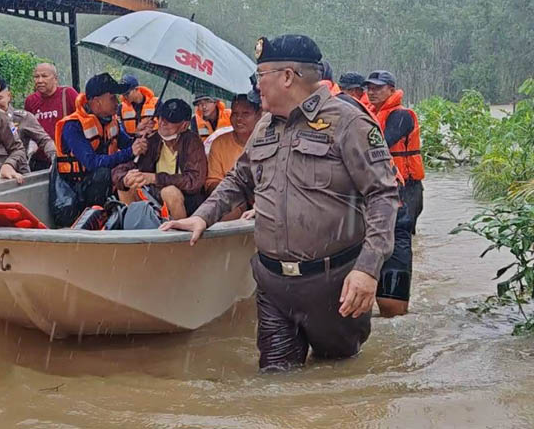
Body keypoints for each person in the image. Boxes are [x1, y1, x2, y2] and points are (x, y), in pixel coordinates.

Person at [162, 34, 399, 371]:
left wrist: (368, 269)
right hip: (272, 283)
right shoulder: (264, 127)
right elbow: (238, 179)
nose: (256, 86)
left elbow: (383, 195)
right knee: (275, 384)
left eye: (261, 76)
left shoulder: (348, 122)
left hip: (333, 286)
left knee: (340, 380)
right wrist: (202, 217)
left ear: (288, 76)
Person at [364, 70, 425, 318]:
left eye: (378, 87)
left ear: (391, 90)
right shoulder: (372, 115)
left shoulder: (401, 116)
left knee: (398, 236)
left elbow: (380, 143)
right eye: (369, 87)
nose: (372, 91)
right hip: (383, 188)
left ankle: (395, 298)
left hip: (405, 190)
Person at [54, 73, 147, 216]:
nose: (117, 102)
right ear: (97, 101)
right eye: (112, 98)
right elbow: (92, 163)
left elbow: (128, 144)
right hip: (74, 196)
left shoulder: (112, 120)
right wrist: (131, 152)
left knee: (130, 169)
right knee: (103, 173)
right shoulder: (72, 125)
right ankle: (99, 218)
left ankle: (125, 212)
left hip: (103, 186)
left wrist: (140, 136)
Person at [111, 98, 207, 220]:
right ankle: (134, 232)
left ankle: (181, 235)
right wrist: (125, 177)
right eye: (162, 117)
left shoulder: (193, 142)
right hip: (154, 196)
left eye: (170, 120)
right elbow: (120, 170)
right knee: (126, 185)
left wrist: (154, 178)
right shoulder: (152, 139)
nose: (163, 123)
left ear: (184, 125)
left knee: (170, 192)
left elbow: (194, 181)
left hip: (186, 201)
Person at [0, 77, 56, 169]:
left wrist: (54, 157)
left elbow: (44, 140)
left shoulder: (23, 118)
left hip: (17, 176)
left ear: (9, 96)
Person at [24, 63, 79, 170]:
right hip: (39, 162)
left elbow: (83, 119)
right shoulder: (30, 101)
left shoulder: (68, 94)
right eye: (36, 77)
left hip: (66, 161)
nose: (39, 80)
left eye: (44, 76)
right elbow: (27, 129)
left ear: (55, 78)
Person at [205, 93, 261, 196]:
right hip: (229, 200)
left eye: (245, 113)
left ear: (258, 115)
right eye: (235, 113)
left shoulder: (267, 141)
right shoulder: (219, 143)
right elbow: (212, 182)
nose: (239, 118)